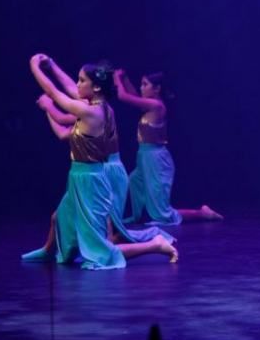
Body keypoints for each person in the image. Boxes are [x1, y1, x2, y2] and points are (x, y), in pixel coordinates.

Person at [24, 55, 177, 268]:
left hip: (91, 179)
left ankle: (155, 245)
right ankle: (50, 251)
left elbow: (54, 94)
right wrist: (52, 65)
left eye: (82, 80)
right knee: (59, 218)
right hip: (80, 176)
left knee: (100, 250)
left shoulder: (91, 111)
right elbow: (69, 89)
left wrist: (34, 67)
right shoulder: (95, 105)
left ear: (95, 88)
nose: (77, 85)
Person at [113, 69, 222, 225]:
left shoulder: (156, 105)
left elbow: (124, 97)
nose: (142, 88)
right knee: (135, 181)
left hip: (156, 158)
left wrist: (117, 78)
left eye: (145, 84)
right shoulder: (148, 105)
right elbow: (134, 97)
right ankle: (138, 216)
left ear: (156, 89)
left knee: (162, 212)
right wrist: (125, 79)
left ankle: (202, 214)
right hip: (144, 156)